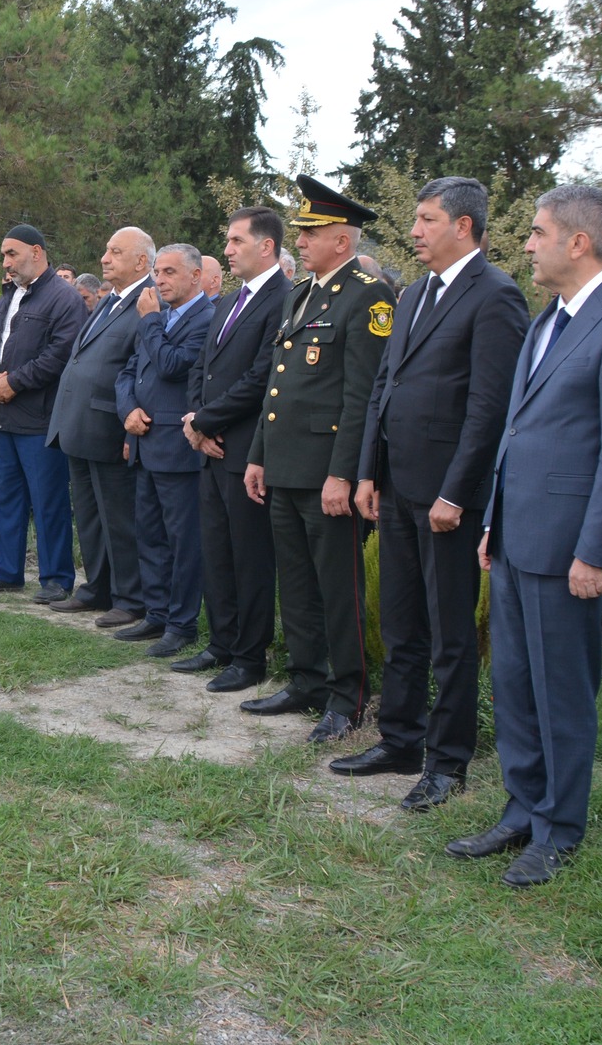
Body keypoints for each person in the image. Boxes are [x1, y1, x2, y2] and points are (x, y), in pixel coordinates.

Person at [455, 184, 602, 887]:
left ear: (579, 241)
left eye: (539, 232)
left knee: (561, 690)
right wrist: (492, 519)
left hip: (569, 546)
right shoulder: (550, 319)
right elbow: (517, 432)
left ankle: (559, 826)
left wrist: (595, 550)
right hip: (517, 537)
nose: (527, 243)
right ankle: (522, 807)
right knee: (514, 683)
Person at [346, 178, 529, 810]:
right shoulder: (417, 292)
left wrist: (457, 492)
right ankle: (399, 738)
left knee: (451, 633)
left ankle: (448, 760)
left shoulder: (497, 297)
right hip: (396, 488)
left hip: (448, 499)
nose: (415, 231)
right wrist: (369, 471)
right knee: (401, 624)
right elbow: (384, 387)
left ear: (464, 226)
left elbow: (488, 408)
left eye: (426, 220)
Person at [242, 177, 392, 744]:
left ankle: (346, 696)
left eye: (312, 231)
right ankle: (305, 679)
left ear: (343, 239)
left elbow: (362, 397)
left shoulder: (369, 296)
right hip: (284, 465)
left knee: (338, 587)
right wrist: (258, 456)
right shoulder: (301, 293)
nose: (300, 241)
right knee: (298, 583)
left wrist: (343, 473)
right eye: (300, 231)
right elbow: (278, 388)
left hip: (326, 472)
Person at [181, 207, 291, 695]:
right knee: (217, 551)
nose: (225, 250)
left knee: (249, 558)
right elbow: (201, 367)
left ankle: (250, 656)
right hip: (211, 447)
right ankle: (221, 642)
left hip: (246, 450)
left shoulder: (283, 300)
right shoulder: (227, 302)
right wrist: (193, 421)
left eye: (234, 241)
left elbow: (261, 378)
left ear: (265, 246)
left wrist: (206, 420)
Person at [45, 228, 156, 624]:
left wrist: (130, 428)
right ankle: (97, 586)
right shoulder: (111, 301)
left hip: (111, 425)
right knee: (90, 515)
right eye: (106, 250)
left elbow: (143, 370)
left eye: (115, 252)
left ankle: (130, 598)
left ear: (142, 262)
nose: (105, 258)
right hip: (81, 423)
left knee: (119, 518)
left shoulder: (148, 301)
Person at [0, 224, 85, 602]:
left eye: (12, 254)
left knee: (47, 500)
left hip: (39, 418)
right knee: (8, 498)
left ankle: (55, 578)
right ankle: (6, 571)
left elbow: (60, 354)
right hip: (3, 417)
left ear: (37, 252)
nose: (5, 262)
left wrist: (14, 382)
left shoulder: (63, 298)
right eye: (4, 255)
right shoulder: (9, 297)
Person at [113, 243, 214, 658]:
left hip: (178, 446)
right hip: (143, 439)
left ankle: (181, 622)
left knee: (182, 540)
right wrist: (127, 411)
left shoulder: (206, 319)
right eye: (157, 272)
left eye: (170, 272)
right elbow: (128, 372)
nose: (160, 280)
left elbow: (172, 365)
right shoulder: (158, 318)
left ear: (196, 276)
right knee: (150, 535)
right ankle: (156, 612)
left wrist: (151, 321)